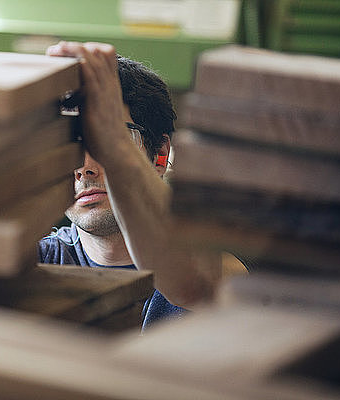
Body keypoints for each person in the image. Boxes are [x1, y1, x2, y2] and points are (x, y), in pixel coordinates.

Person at [39, 42, 224, 330]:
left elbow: (199, 285)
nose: (83, 167)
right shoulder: (41, 263)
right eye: (68, 143)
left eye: (99, 140)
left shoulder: (211, 269)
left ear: (160, 154)